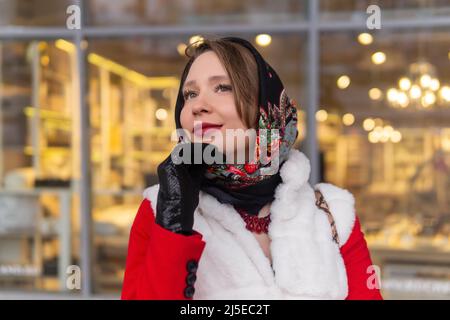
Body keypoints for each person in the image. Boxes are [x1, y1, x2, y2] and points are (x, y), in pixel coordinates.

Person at [121, 37, 383, 300]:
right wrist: (174, 224)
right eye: (190, 94)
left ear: (264, 103)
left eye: (222, 87)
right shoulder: (158, 210)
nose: (197, 105)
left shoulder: (331, 212)